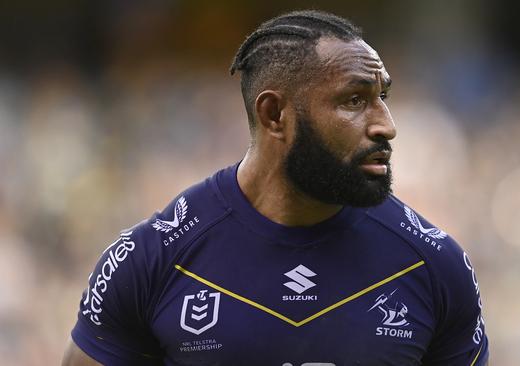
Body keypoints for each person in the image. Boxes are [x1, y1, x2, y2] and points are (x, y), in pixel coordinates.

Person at [62, 9, 488, 366]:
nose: (386, 126)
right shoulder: (153, 258)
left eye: (383, 97)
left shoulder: (434, 266)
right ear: (274, 115)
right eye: (355, 100)